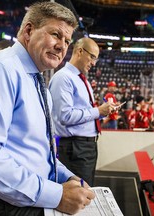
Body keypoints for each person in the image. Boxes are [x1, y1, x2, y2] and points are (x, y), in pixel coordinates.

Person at [0, 2, 95, 216]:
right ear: (28, 30)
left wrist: (67, 177)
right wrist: (58, 195)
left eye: (67, 41)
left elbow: (36, 153)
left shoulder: (35, 80)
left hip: (15, 196)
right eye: (55, 34)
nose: (62, 46)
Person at [49, 37, 114, 186]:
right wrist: (98, 111)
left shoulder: (80, 79)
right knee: (79, 192)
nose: (93, 63)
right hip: (75, 148)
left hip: (85, 147)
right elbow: (65, 116)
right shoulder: (63, 78)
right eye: (92, 57)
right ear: (79, 51)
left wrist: (101, 113)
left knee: (85, 190)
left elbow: (83, 113)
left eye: (96, 59)